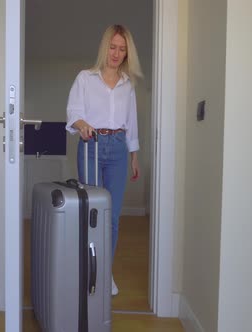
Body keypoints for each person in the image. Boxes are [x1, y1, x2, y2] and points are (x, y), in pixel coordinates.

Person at [65, 24, 143, 296]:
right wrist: (83, 124)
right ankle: (87, 269)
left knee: (112, 217)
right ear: (105, 47)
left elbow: (131, 122)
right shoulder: (85, 78)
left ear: (127, 53)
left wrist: (134, 156)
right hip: (91, 145)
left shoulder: (127, 85)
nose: (116, 53)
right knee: (91, 213)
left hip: (119, 149)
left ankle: (104, 272)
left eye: (122, 49)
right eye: (113, 47)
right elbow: (73, 112)